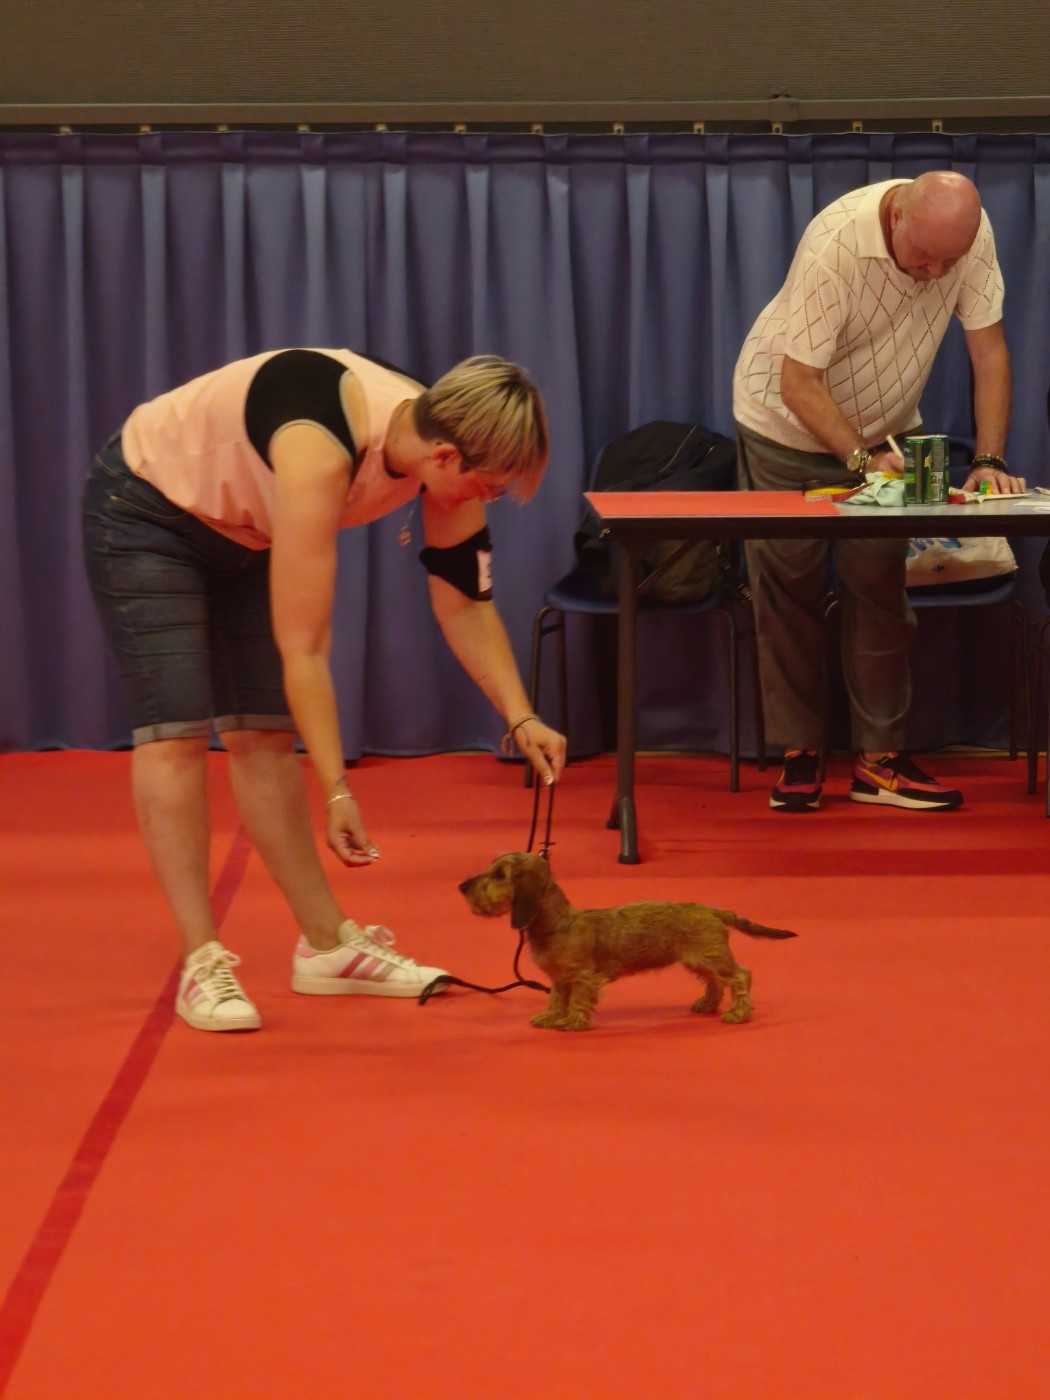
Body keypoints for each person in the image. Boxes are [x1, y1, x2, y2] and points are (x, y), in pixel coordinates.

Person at [82, 348, 566, 1032]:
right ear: (448, 457)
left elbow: (464, 603)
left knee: (263, 733)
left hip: (248, 526)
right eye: (489, 488)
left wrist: (520, 716)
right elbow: (304, 649)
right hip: (146, 512)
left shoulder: (439, 439)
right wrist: (337, 788)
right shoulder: (319, 451)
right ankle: (202, 957)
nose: (488, 503)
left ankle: (328, 946)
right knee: (177, 730)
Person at [732, 170, 1024, 814]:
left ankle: (879, 760)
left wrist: (989, 458)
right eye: (926, 257)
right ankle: (800, 755)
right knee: (789, 591)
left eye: (950, 260)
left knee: (880, 589)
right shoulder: (834, 244)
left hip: (886, 429)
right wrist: (863, 462)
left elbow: (990, 353)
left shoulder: (963, 238)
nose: (937, 271)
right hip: (784, 427)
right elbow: (798, 383)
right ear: (897, 221)